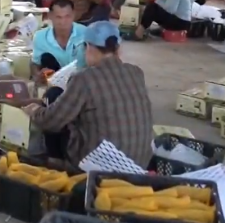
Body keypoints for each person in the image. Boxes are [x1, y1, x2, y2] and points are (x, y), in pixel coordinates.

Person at [22, 21, 153, 168]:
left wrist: (35, 110)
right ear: (118, 48)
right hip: (140, 163)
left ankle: (56, 162)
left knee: (54, 96)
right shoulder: (136, 73)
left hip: (98, 166)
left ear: (89, 47)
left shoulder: (84, 79)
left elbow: (51, 121)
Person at [31, 0, 87, 81]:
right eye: (58, 17)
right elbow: (35, 63)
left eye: (67, 16)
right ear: (50, 16)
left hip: (82, 81)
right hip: (54, 82)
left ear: (73, 15)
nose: (63, 22)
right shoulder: (40, 37)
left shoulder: (86, 33)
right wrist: (38, 75)